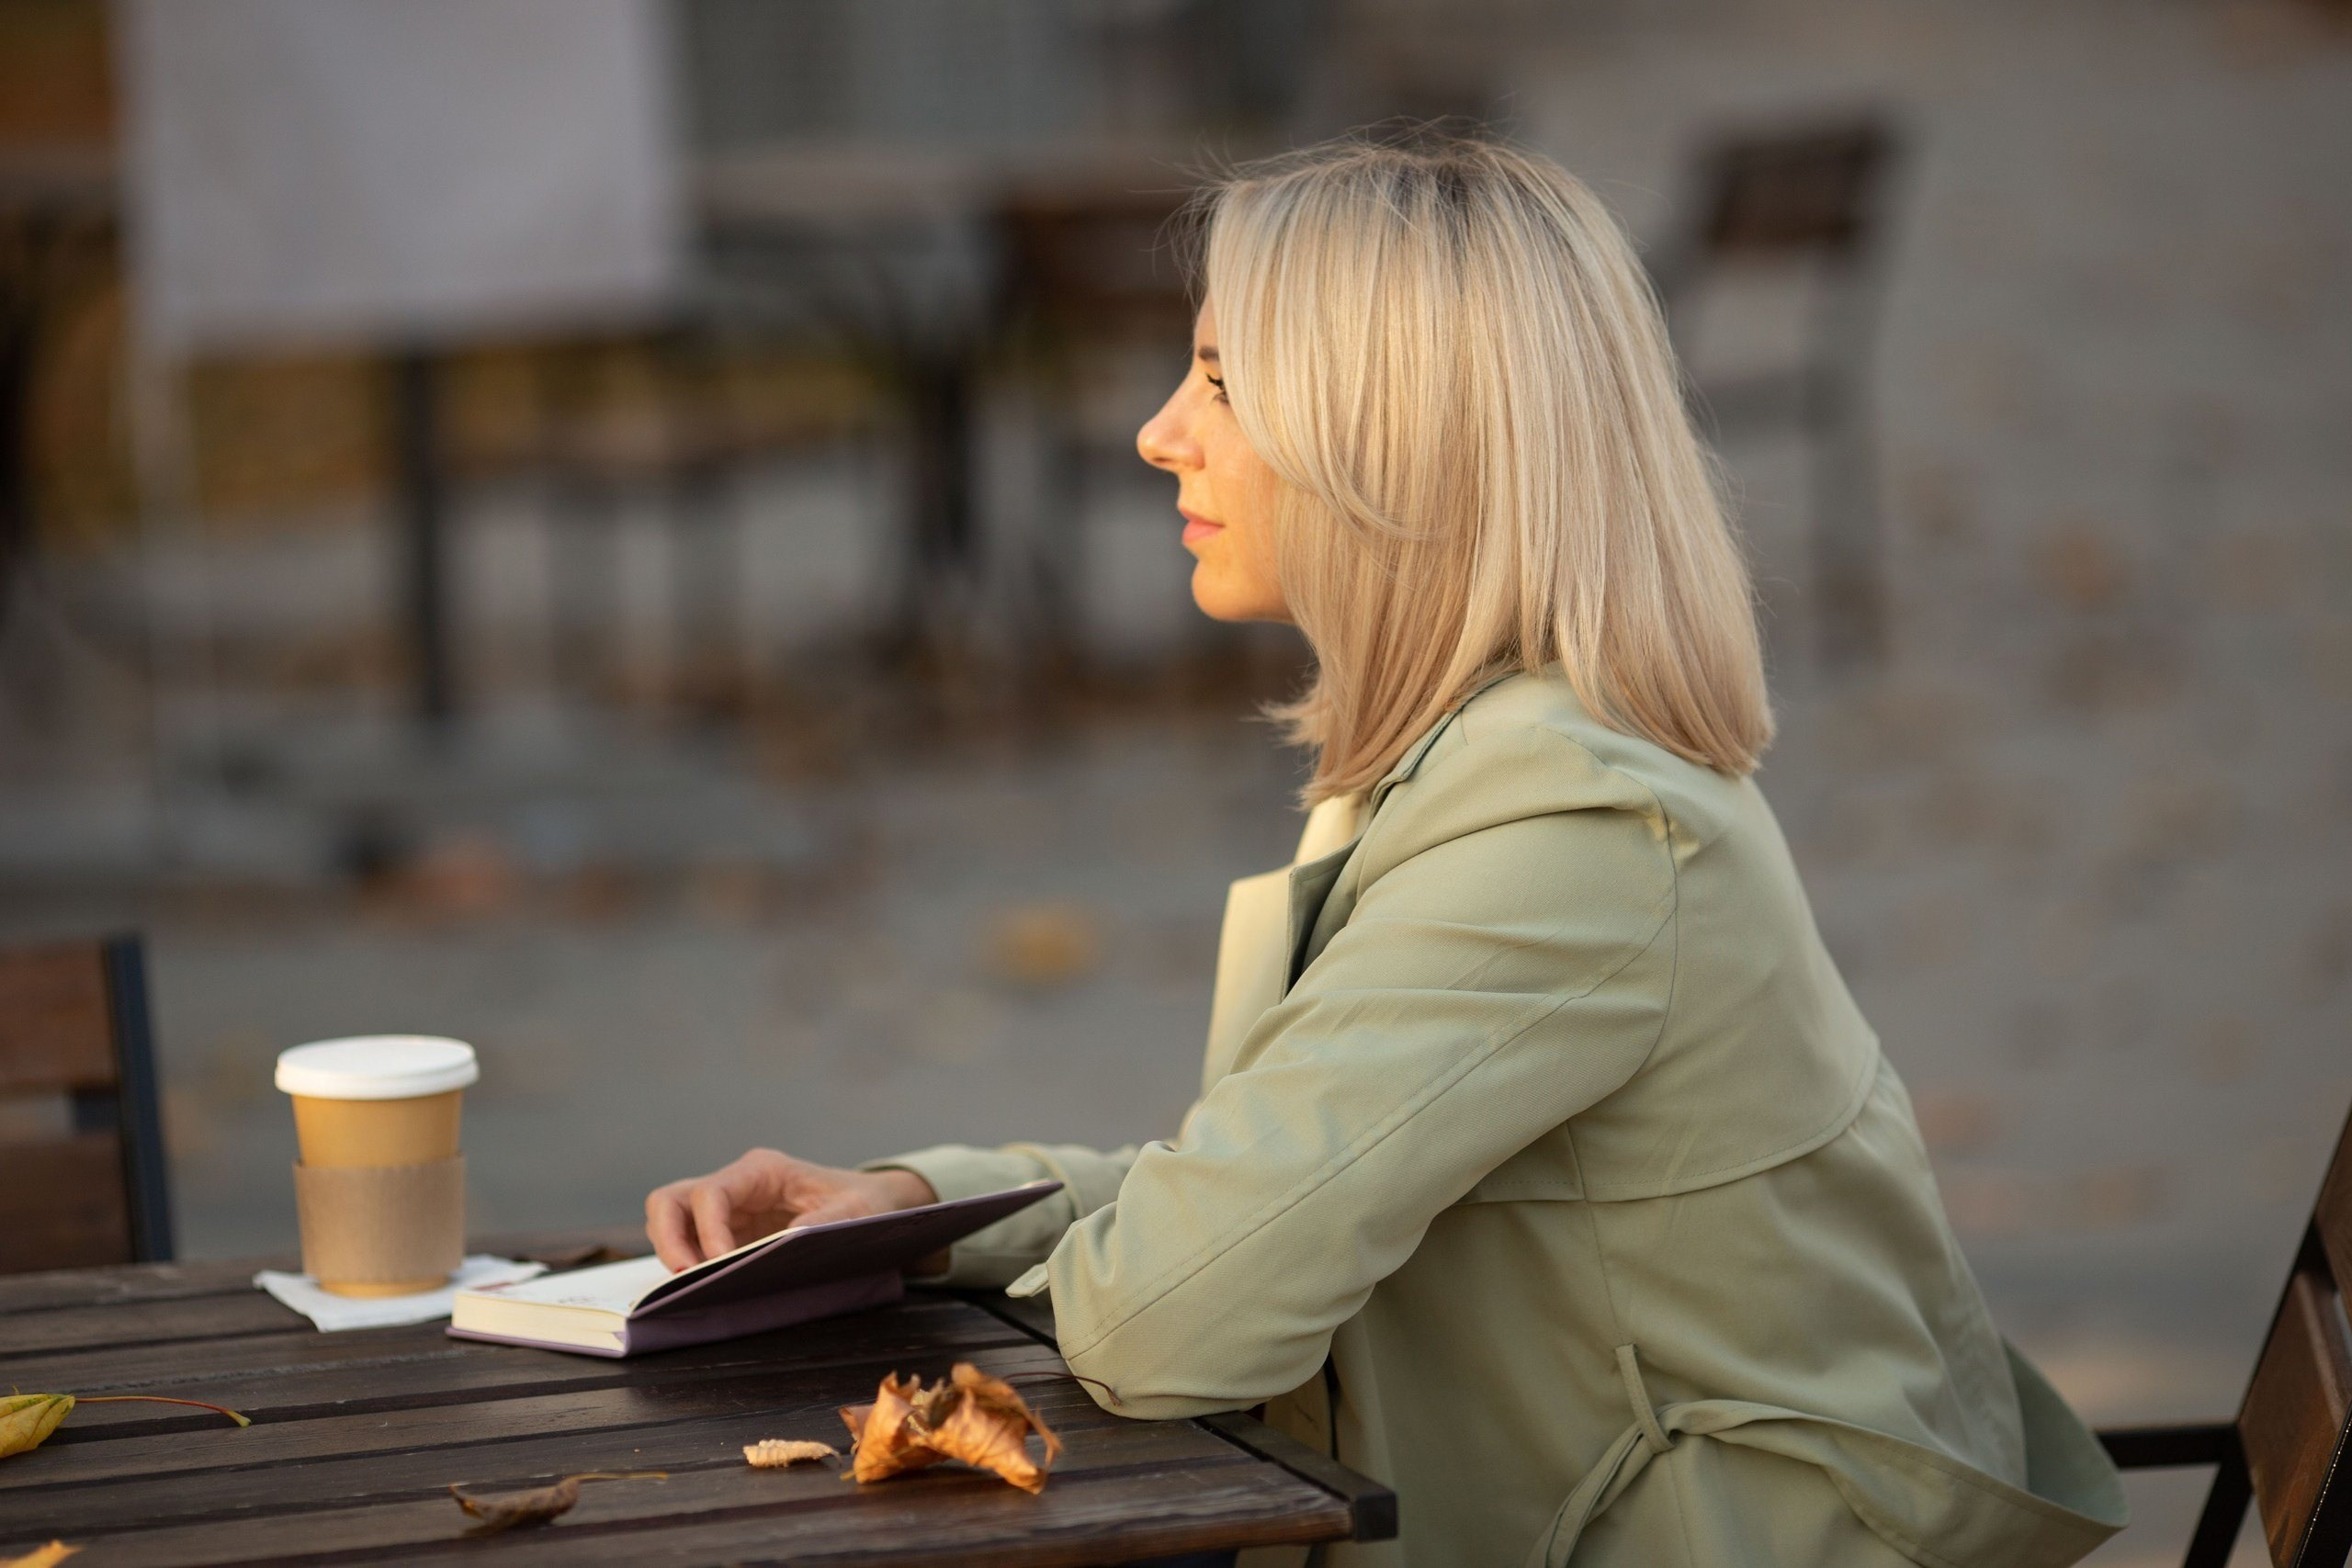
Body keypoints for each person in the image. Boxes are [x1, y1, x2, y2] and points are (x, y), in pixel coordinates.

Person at [645, 135, 2127, 1568]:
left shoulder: (1562, 835)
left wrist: (1070, 1244)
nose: (1161, 429)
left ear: (1391, 446)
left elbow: (1172, 1320)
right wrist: (911, 1206)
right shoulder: (1496, 754)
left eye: (1221, 382)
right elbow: (1252, 1203)